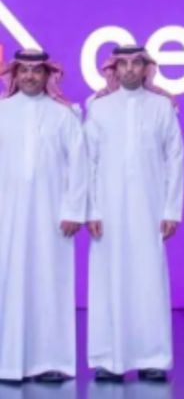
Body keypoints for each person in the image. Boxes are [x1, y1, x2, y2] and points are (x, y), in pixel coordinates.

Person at [85, 45, 184, 382]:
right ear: (113, 69)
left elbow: (175, 159)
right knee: (108, 280)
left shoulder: (162, 107)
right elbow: (88, 162)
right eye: (123, 64)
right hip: (107, 212)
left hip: (151, 208)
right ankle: (108, 358)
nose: (129, 69)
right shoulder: (98, 108)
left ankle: (153, 358)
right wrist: (91, 209)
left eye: (135, 64)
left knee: (149, 280)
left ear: (146, 68)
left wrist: (172, 209)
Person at [0, 49, 87, 383]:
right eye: (24, 70)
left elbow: (78, 166)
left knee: (50, 284)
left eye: (37, 71)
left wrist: (74, 210)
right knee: (7, 284)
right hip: (7, 217)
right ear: (15, 74)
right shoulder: (2, 112)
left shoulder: (63, 115)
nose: (30, 76)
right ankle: (7, 361)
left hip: (52, 218)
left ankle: (51, 361)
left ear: (48, 75)